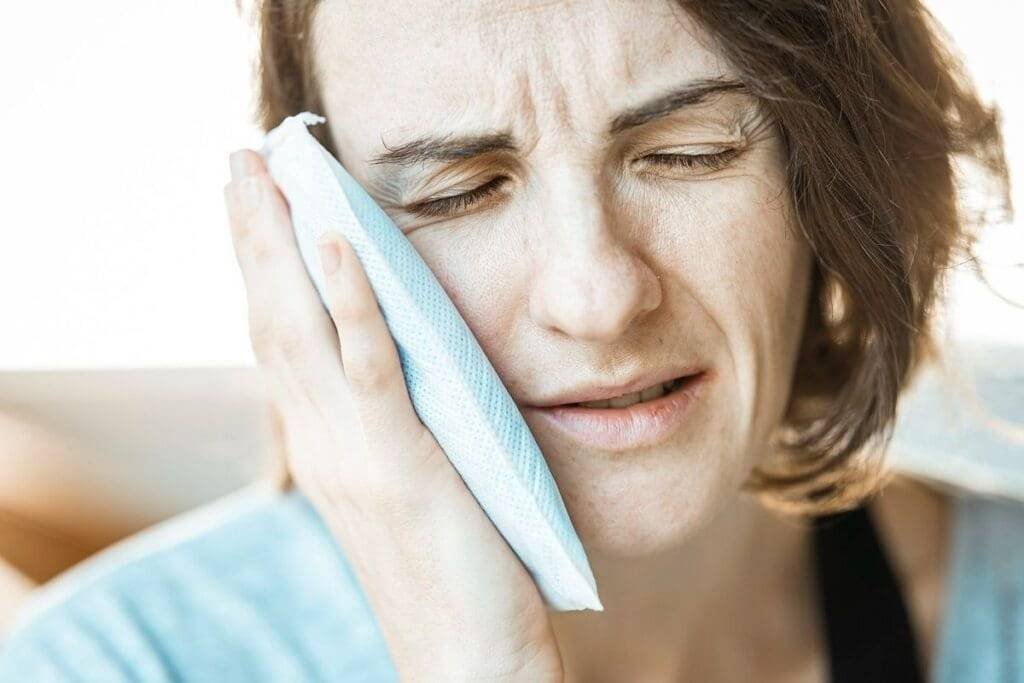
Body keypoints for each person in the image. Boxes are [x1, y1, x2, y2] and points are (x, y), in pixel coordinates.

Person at [0, 1, 1019, 681]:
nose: (598, 295)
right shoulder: (112, 664)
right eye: (461, 191)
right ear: (316, 237)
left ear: (831, 177)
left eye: (686, 152)